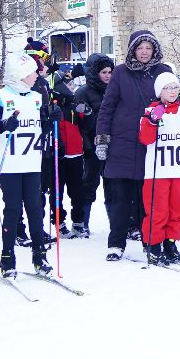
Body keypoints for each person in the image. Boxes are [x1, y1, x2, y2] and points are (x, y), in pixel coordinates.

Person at [98, 29, 172, 261]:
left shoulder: (163, 71)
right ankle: (116, 243)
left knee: (148, 199)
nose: (144, 52)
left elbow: (173, 101)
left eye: (148, 48)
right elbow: (107, 107)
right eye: (140, 48)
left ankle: (149, 240)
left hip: (153, 145)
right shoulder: (120, 73)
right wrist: (102, 138)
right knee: (121, 197)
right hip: (123, 143)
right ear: (132, 50)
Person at [0, 53, 49, 278]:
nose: (36, 75)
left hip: (32, 162)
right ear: (20, 75)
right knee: (12, 210)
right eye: (32, 72)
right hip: (10, 166)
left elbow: (42, 126)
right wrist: (4, 125)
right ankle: (7, 258)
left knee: (35, 210)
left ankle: (39, 256)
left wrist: (52, 120)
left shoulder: (37, 97)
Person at [138, 72, 180, 264]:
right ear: (160, 91)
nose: (173, 91)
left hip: (179, 170)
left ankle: (170, 243)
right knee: (158, 210)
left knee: (177, 211)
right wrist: (152, 121)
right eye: (168, 88)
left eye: (175, 87)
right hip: (158, 171)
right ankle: (153, 245)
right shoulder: (150, 111)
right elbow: (145, 139)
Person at [70, 53, 113, 238]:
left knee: (113, 186)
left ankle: (119, 224)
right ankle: (82, 223)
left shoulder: (115, 89)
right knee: (89, 184)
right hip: (91, 146)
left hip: (114, 144)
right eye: (103, 72)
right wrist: (87, 146)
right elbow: (78, 124)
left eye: (110, 71)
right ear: (95, 73)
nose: (108, 75)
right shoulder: (83, 92)